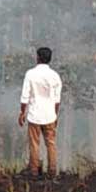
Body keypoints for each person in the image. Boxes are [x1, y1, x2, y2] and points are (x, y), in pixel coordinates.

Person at [18, 47, 62, 177]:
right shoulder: (55, 76)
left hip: (34, 115)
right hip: (49, 115)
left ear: (37, 58)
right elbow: (57, 100)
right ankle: (52, 171)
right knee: (51, 144)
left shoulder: (30, 74)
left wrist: (22, 113)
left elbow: (24, 97)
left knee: (34, 144)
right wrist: (55, 114)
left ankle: (34, 170)